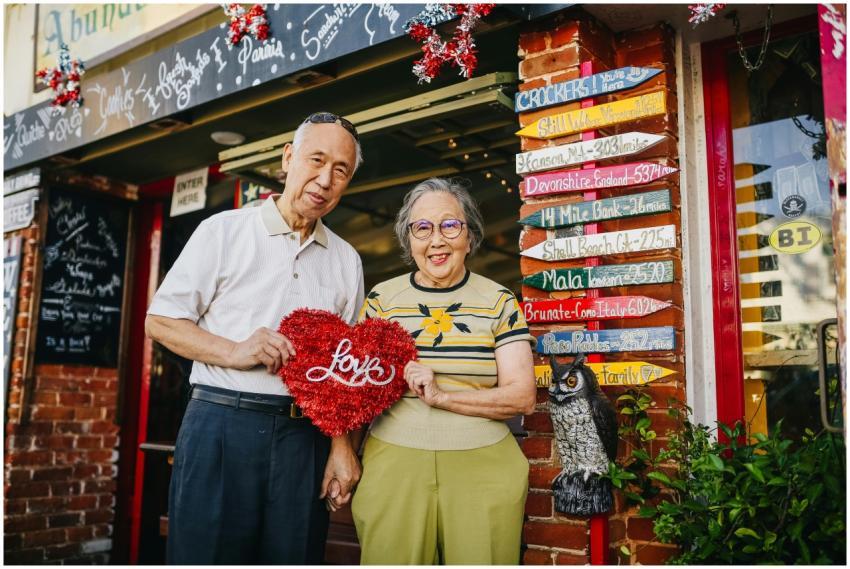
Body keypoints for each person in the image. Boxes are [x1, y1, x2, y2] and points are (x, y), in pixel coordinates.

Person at [145, 112, 365, 564]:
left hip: (305, 439)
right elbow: (161, 321)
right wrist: (235, 350)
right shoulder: (223, 231)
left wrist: (342, 447)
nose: (325, 180)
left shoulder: (347, 259)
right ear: (288, 158)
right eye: (316, 160)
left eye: (340, 170)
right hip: (222, 425)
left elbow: (344, 372)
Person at [351, 177, 537, 564]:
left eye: (450, 225)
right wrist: (343, 453)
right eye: (422, 228)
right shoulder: (382, 300)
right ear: (409, 241)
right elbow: (354, 392)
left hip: (484, 467)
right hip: (394, 465)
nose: (437, 240)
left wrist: (443, 398)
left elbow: (522, 397)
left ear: (469, 236)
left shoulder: (499, 301)